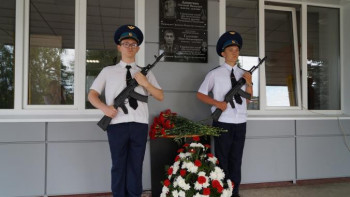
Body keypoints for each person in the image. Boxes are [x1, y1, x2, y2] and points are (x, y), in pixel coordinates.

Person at [88, 24, 164, 197]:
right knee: (118, 165)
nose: (129, 47)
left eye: (133, 44)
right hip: (117, 125)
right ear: (119, 46)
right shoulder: (108, 71)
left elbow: (160, 95)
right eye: (126, 43)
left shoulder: (145, 73)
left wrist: (145, 83)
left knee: (136, 166)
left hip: (139, 124)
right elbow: (92, 94)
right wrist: (105, 108)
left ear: (137, 48)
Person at [196, 31, 253, 197]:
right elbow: (200, 94)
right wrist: (217, 103)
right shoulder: (215, 73)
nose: (234, 52)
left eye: (236, 49)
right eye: (230, 49)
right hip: (223, 122)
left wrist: (248, 83)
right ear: (223, 53)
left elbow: (248, 100)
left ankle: (235, 192)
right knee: (222, 159)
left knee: (236, 159)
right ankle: (223, 192)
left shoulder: (244, 74)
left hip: (240, 122)